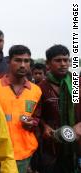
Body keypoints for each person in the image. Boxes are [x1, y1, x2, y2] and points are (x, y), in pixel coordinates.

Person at [0, 45, 42, 173]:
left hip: (24, 153)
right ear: (8, 61)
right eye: (17, 60)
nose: (22, 65)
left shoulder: (36, 90)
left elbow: (37, 118)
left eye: (26, 61)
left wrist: (32, 123)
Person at [37, 44, 80, 173]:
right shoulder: (40, 88)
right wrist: (44, 126)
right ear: (48, 64)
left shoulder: (78, 83)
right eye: (58, 60)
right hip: (52, 148)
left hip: (77, 145)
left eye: (66, 60)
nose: (63, 64)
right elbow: (36, 115)